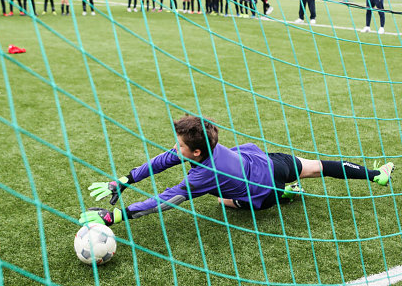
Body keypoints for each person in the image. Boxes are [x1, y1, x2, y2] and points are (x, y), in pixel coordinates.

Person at [78, 115, 395, 227]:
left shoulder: (203, 174)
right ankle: (376, 175)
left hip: (265, 192)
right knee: (320, 167)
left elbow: (167, 198)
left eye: (181, 144)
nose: (177, 147)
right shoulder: (205, 147)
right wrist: (126, 179)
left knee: (219, 200)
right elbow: (164, 160)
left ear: (197, 151)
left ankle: (284, 195)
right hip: (270, 162)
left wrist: (116, 216)